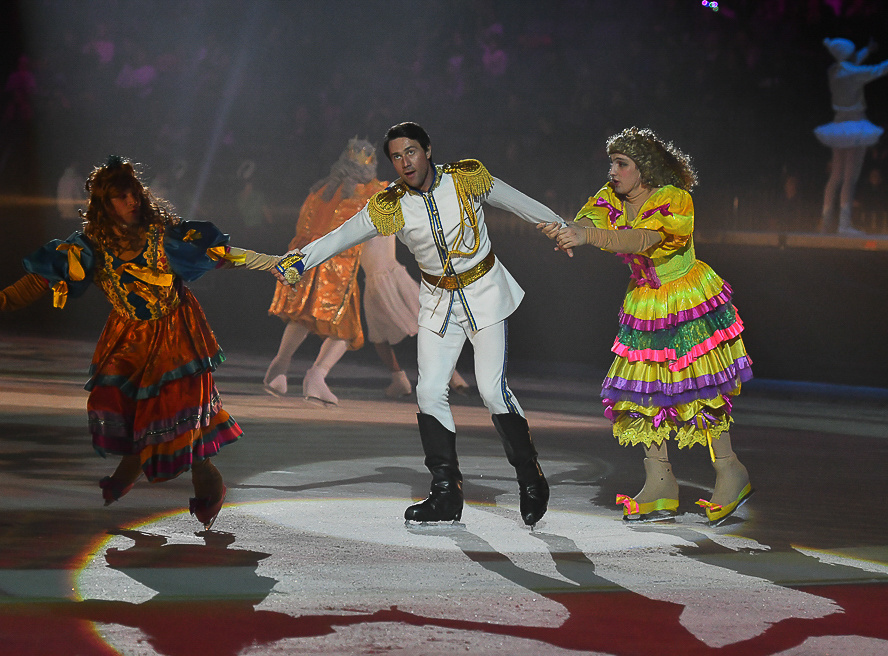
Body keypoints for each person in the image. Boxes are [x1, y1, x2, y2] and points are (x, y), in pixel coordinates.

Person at [0, 156, 281, 530]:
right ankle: (129, 471)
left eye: (133, 193)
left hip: (177, 337)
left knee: (183, 430)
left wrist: (273, 262)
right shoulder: (90, 248)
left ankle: (202, 488)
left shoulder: (164, 236)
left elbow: (223, 256)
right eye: (120, 196)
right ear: (104, 204)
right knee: (126, 411)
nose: (131, 201)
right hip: (130, 338)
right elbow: (39, 280)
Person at [273, 122, 565, 527]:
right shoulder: (390, 204)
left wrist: (558, 225)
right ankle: (446, 493)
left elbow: (516, 201)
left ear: (427, 150)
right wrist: (301, 260)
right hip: (439, 302)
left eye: (410, 151)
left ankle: (531, 479)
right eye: (396, 156)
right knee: (428, 391)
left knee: (491, 390)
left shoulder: (464, 179)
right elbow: (344, 234)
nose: (405, 162)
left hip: (484, 293)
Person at [542, 127, 754, 526]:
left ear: (645, 168)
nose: (613, 171)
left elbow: (641, 240)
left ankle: (730, 470)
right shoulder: (611, 198)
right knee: (641, 394)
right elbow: (587, 220)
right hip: (644, 304)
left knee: (699, 389)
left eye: (622, 164)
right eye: (612, 163)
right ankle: (660, 482)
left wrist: (586, 235)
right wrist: (567, 229)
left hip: (684, 300)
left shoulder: (673, 198)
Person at [264, 138, 385, 405]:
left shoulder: (321, 189)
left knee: (303, 318)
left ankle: (279, 367)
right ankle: (316, 375)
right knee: (347, 330)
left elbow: (302, 227)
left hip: (307, 259)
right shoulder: (371, 193)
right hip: (336, 266)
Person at [359, 233, 470, 398]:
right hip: (398, 276)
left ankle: (400, 379)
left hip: (379, 281)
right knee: (422, 324)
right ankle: (451, 374)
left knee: (379, 335)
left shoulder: (362, 220)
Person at [815, 37, 888, 234]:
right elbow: (879, 69)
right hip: (855, 126)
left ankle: (825, 221)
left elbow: (850, 61)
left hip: (839, 126)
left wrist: (867, 50)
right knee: (850, 176)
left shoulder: (833, 71)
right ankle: (844, 225)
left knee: (836, 175)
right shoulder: (854, 73)